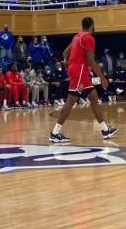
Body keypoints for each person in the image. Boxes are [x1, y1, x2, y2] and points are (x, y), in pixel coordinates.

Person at [50, 16, 117, 144]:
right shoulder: (89, 38)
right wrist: (102, 78)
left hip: (78, 70)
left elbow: (65, 53)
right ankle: (55, 133)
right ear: (92, 25)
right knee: (71, 101)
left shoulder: (77, 37)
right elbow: (91, 60)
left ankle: (105, 130)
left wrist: (69, 65)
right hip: (80, 70)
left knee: (93, 97)